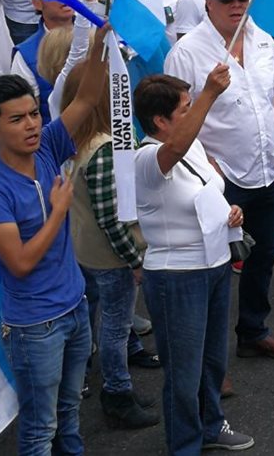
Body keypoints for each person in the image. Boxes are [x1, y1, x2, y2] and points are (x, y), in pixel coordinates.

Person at [0, 25, 109, 455]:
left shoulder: (47, 145)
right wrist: (59, 211)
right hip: (35, 328)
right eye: (17, 119)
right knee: (39, 431)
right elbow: (20, 262)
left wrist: (99, 47)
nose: (31, 125)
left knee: (69, 411)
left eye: (33, 114)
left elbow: (86, 98)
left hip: (75, 308)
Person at [164, 0, 274, 360]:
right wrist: (208, 166)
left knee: (264, 256)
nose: (237, 5)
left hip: (268, 168)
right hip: (221, 178)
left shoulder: (261, 39)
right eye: (227, 0)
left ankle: (254, 330)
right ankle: (210, 361)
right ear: (208, 3)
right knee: (216, 269)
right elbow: (174, 122)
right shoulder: (186, 53)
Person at [133, 69, 255, 454]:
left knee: (213, 360)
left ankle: (211, 426)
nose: (194, 113)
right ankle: (184, 445)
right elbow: (173, 151)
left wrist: (231, 212)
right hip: (176, 276)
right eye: (185, 108)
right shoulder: (146, 157)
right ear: (160, 120)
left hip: (214, 264)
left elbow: (207, 191)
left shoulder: (193, 145)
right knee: (184, 372)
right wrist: (210, 94)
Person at [62, 59, 158, 431]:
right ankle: (117, 393)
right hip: (110, 256)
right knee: (115, 326)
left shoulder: (74, 140)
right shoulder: (105, 149)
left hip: (85, 248)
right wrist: (135, 260)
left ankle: (99, 378)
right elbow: (111, 218)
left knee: (98, 319)